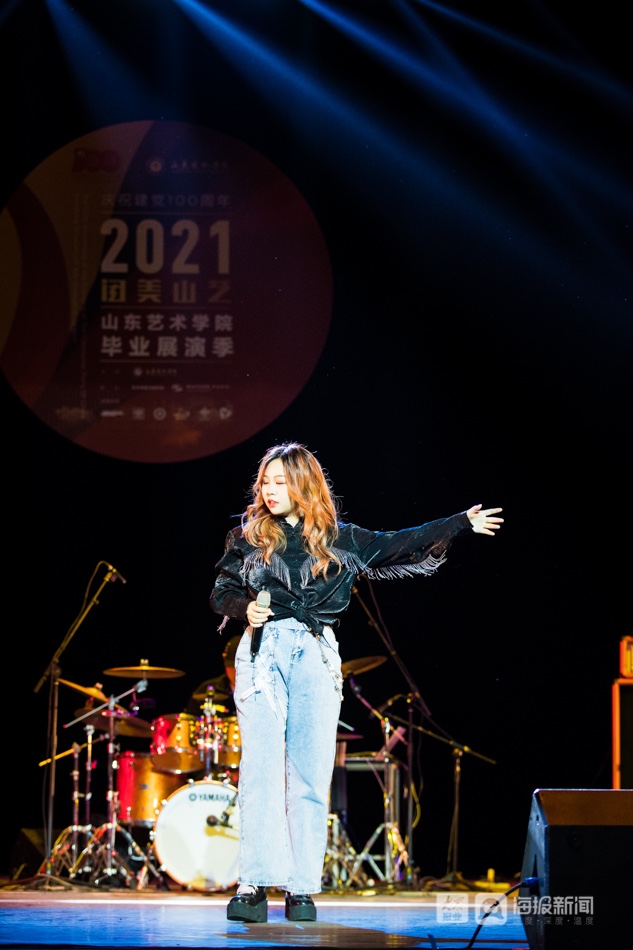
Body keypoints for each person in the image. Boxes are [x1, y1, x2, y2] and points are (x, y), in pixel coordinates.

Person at [210, 442, 504, 923]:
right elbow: (221, 591)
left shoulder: (340, 539)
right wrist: (245, 608)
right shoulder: (247, 537)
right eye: (265, 481)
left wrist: (458, 523)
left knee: (310, 772)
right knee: (260, 767)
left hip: (315, 653)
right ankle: (253, 884)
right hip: (263, 654)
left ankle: (301, 888)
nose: (270, 490)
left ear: (304, 485)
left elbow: (401, 542)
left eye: (281, 481)